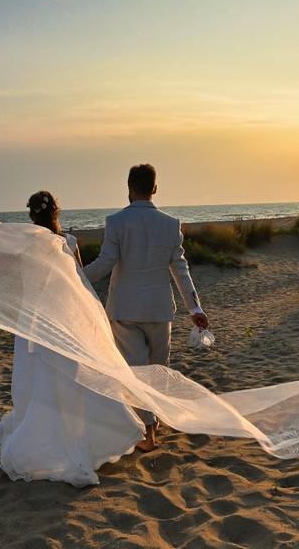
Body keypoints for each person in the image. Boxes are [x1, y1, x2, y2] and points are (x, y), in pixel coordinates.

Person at [0, 191, 144, 486]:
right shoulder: (69, 243)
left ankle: (43, 440)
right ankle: (74, 435)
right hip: (64, 321)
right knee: (68, 381)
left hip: (34, 323)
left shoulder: (26, 244)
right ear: (56, 213)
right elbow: (80, 286)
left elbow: (16, 278)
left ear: (31, 216)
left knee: (38, 380)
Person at [84, 164, 209, 451]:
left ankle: (149, 431)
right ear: (154, 188)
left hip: (125, 309)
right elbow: (180, 269)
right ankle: (153, 420)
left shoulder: (116, 222)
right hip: (159, 309)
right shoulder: (170, 224)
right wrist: (195, 308)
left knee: (137, 371)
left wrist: (75, 275)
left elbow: (105, 263)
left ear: (129, 188)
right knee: (157, 368)